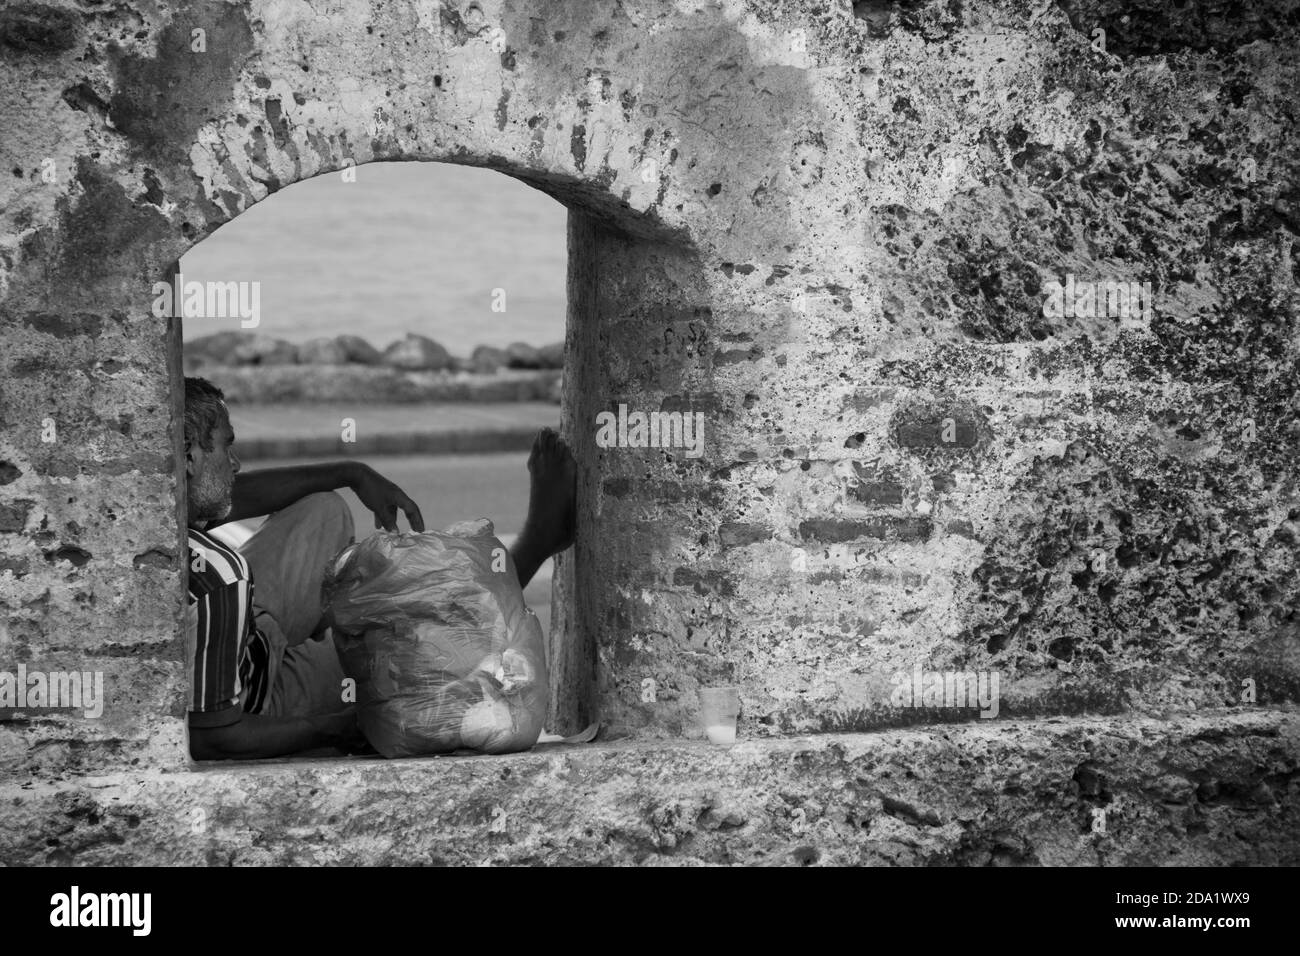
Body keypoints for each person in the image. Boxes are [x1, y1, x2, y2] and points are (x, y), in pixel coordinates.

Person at [183, 376, 575, 760]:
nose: (235, 465)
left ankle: (334, 626)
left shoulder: (164, 513)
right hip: (256, 698)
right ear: (187, 452)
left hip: (252, 633)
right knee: (405, 650)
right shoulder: (220, 577)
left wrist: (351, 473)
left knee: (323, 510)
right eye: (225, 447)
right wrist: (339, 728)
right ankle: (536, 543)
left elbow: (222, 498)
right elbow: (214, 738)